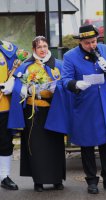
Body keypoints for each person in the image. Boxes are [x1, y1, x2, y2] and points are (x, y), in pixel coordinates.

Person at [61, 24, 106, 194]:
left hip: (104, 103)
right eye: (88, 43)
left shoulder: (105, 49)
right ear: (80, 42)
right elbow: (65, 80)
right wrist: (76, 84)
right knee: (87, 144)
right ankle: (91, 181)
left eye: (94, 41)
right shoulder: (70, 56)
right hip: (85, 105)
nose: (92, 45)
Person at [9, 36, 66, 192]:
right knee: (36, 147)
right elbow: (16, 87)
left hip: (53, 110)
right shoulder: (26, 67)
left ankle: (57, 180)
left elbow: (64, 84)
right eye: (39, 47)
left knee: (55, 145)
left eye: (45, 46)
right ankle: (38, 181)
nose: (42, 49)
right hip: (33, 111)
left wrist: (57, 89)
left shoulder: (57, 65)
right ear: (34, 49)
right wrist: (27, 90)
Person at [0, 40, 19, 190]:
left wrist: (12, 82)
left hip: (3, 106)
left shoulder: (8, 49)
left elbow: (20, 68)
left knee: (5, 142)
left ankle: (4, 176)